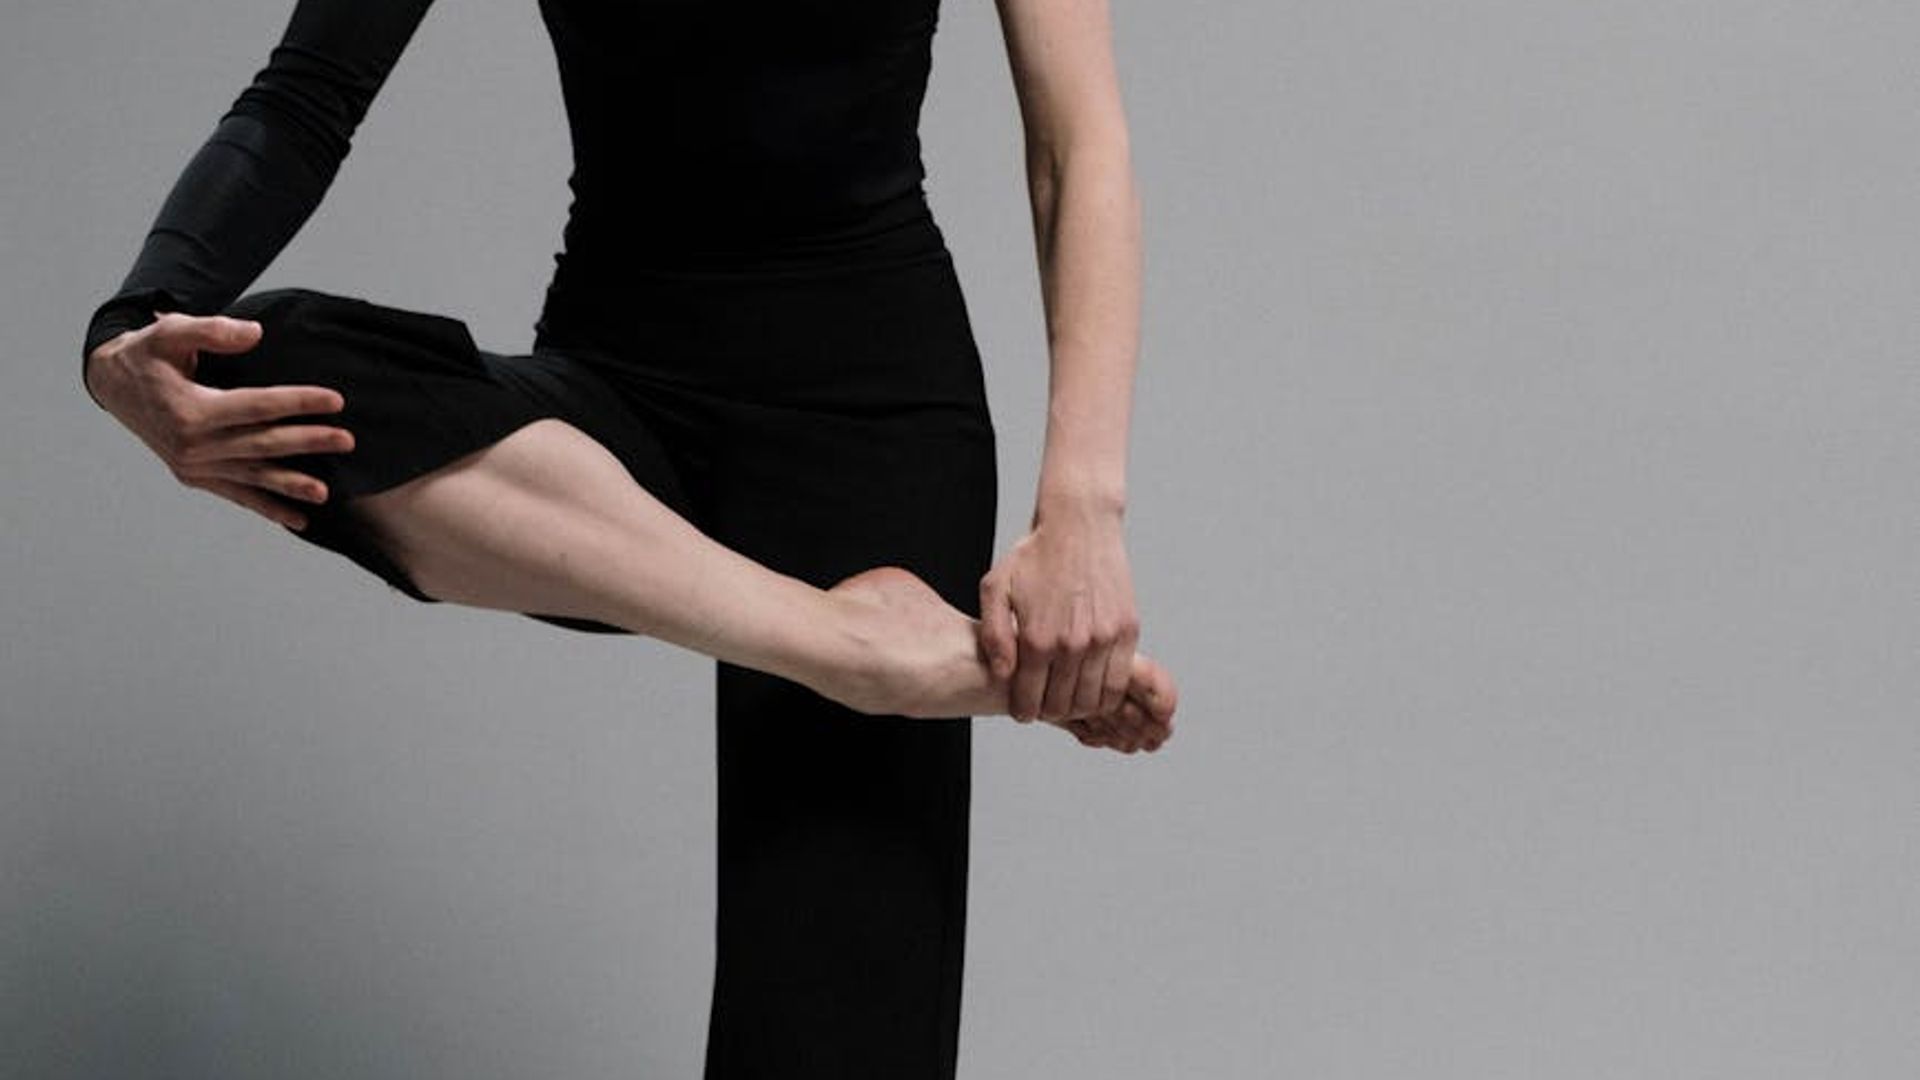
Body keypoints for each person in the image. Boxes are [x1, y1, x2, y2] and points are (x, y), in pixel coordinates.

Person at [79, 0, 1178, 1074]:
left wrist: (1082, 509)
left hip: (871, 429)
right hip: (608, 423)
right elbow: (307, 95)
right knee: (250, 359)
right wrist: (131, 326)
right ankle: (852, 647)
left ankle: (864, 644)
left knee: (838, 1024)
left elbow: (1078, 145)